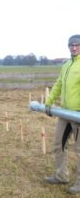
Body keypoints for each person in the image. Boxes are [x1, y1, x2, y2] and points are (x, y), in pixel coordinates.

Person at [44, 34, 80, 194]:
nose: (74, 47)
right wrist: (49, 100)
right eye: (71, 45)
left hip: (78, 114)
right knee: (58, 144)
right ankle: (61, 176)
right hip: (65, 112)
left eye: (77, 45)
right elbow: (59, 83)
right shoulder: (66, 65)